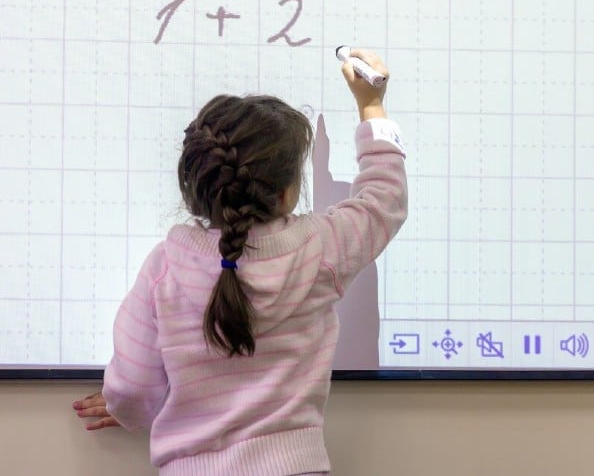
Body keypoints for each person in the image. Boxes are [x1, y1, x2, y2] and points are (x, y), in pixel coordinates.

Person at [72, 49, 408, 476]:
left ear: (195, 188)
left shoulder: (165, 268)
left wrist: (127, 408)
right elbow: (384, 200)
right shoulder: (319, 248)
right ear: (287, 193)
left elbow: (134, 388)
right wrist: (371, 106)